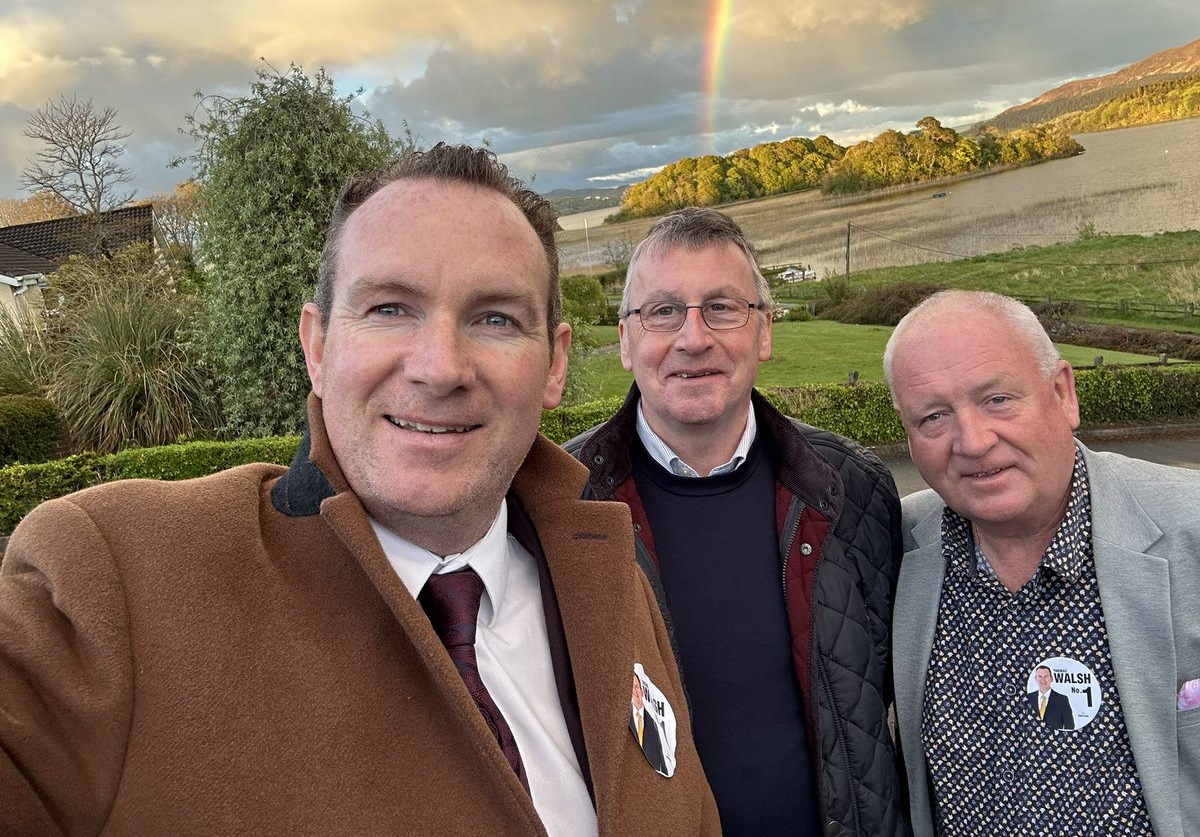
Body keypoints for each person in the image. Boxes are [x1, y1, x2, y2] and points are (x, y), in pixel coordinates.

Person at [0, 144, 719, 835]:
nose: (440, 368)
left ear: (554, 365)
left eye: (494, 318)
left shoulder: (611, 580)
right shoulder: (115, 578)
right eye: (388, 309)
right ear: (317, 347)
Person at [564, 207, 909, 836]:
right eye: (663, 312)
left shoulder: (852, 490)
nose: (693, 338)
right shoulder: (558, 508)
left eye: (722, 308)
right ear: (624, 340)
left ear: (764, 333)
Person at [884, 289, 1200, 837]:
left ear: (1062, 393)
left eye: (997, 399)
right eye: (933, 416)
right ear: (909, 440)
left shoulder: (1190, 529)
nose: (974, 442)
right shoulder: (894, 547)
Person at [1028, 665, 1074, 731]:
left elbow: (1069, 725)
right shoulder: (1029, 698)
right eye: (1040, 676)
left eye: (1046, 676)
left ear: (1051, 678)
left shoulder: (1062, 699)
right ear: (1036, 679)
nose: (1043, 680)